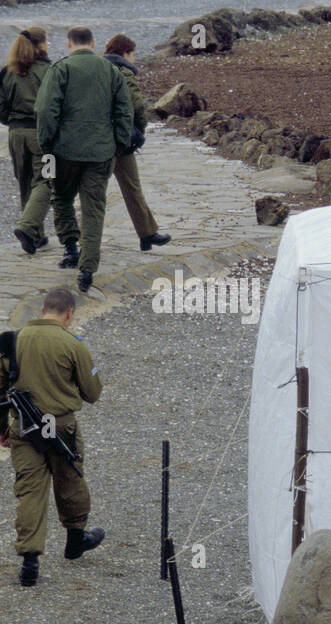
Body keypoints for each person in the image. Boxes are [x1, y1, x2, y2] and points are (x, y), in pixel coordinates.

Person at [0, 287, 105, 588]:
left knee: (30, 490)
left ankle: (29, 562)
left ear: (42, 310)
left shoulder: (12, 341)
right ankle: (75, 541)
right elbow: (93, 393)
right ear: (69, 314)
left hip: (23, 429)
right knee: (70, 479)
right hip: (61, 428)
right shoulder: (73, 344)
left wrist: (2, 430)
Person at [35, 26, 133, 293]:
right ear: (92, 42)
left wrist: (47, 142)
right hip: (101, 151)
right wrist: (120, 143)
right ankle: (88, 266)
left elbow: (45, 110)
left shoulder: (60, 69)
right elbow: (125, 109)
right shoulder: (110, 71)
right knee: (94, 208)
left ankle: (69, 248)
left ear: (69, 44)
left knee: (62, 197)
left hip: (64, 149)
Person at [102, 34, 169, 252]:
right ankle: (147, 234)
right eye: (133, 54)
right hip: (121, 141)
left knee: (94, 192)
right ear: (125, 53)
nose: (134, 59)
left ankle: (147, 234)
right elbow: (137, 105)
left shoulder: (97, 69)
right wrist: (139, 131)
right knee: (132, 188)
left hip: (100, 139)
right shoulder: (124, 72)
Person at [2, 27, 60, 254]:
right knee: (47, 181)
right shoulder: (48, 70)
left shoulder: (7, 72)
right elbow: (56, 106)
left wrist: (13, 121)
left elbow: (2, 109)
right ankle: (27, 228)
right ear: (41, 44)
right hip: (42, 136)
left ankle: (35, 235)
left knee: (25, 182)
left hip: (16, 135)